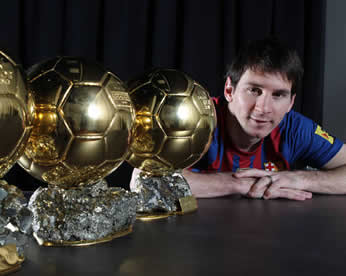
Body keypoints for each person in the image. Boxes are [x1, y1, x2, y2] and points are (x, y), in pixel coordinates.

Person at [131, 37, 346, 201]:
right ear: (229, 90)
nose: (263, 108)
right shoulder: (199, 119)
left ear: (291, 102)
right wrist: (238, 183)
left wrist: (297, 179)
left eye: (278, 95)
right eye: (254, 90)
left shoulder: (295, 128)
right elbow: (142, 180)